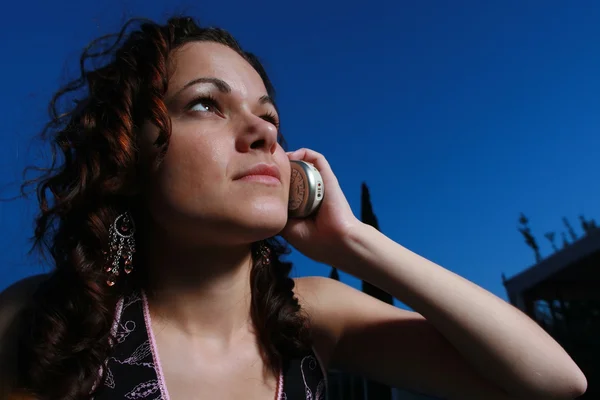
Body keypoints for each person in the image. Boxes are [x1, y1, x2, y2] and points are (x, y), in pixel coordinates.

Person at [0, 16, 587, 400]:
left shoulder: (314, 319)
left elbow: (556, 382)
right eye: (205, 104)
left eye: (269, 116)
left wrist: (355, 243)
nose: (259, 130)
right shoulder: (44, 320)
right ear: (130, 153)